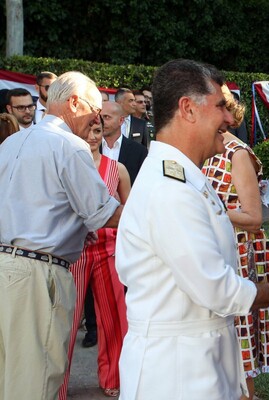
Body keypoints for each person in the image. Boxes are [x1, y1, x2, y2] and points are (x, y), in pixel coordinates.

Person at [115, 59, 269, 399]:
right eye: (220, 106)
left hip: (196, 360)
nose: (231, 119)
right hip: (176, 373)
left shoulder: (184, 176)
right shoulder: (169, 188)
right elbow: (215, 288)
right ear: (188, 109)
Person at [0, 71, 122, 400]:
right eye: (95, 110)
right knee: (35, 382)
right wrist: (160, 213)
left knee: (9, 377)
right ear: (73, 103)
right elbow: (106, 214)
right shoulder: (70, 146)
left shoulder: (11, 143)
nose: (98, 119)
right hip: (39, 275)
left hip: (7, 268)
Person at [201, 85, 269, 400]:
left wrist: (210, 208)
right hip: (213, 250)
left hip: (240, 253)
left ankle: (246, 394)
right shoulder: (206, 151)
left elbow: (254, 217)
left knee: (239, 332)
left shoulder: (238, 154)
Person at [58, 121, 131, 399]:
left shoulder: (117, 169)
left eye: (97, 131)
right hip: (73, 251)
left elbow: (131, 211)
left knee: (113, 318)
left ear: (105, 134)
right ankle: (57, 387)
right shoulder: (67, 165)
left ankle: (113, 378)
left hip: (108, 251)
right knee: (65, 320)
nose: (91, 137)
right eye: (86, 131)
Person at [100, 101, 148, 184]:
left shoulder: (139, 151)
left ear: (121, 120)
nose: (102, 122)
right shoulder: (90, 148)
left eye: (107, 117)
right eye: (100, 117)